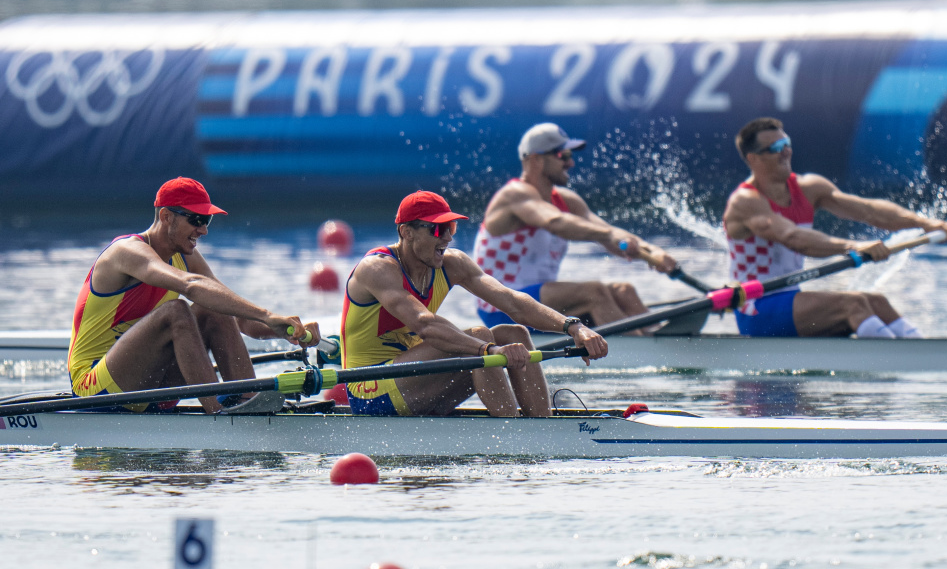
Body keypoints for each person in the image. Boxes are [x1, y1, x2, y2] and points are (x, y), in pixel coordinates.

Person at [340, 190, 608, 418]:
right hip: (370, 393)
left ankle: (541, 427)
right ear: (406, 232)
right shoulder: (377, 269)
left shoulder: (451, 263)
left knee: (515, 333)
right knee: (480, 337)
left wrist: (574, 327)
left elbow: (513, 302)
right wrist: (487, 348)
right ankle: (515, 436)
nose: (447, 237)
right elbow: (425, 325)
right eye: (438, 229)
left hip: (411, 380)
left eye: (451, 228)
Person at [67, 177, 319, 414]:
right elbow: (190, 285)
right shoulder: (126, 251)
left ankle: (246, 400)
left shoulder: (186, 256)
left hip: (148, 384)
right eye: (196, 219)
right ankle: (220, 416)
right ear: (166, 216)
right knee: (176, 310)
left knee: (215, 308)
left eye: (206, 221)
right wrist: (266, 314)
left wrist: (286, 328)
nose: (203, 230)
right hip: (94, 388)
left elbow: (238, 318)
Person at [722, 117, 947, 338]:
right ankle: (900, 364)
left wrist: (926, 223)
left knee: (877, 302)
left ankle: (921, 354)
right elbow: (793, 237)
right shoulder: (746, 202)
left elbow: (869, 210)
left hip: (789, 300)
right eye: (775, 149)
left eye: (786, 143)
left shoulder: (809, 188)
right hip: (755, 307)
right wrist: (854, 246)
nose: (785, 152)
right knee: (853, 304)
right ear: (753, 158)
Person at [472, 122, 678, 329]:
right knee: (593, 292)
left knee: (625, 292)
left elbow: (610, 232)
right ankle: (633, 355)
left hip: (537, 300)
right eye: (563, 156)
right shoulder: (515, 194)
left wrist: (652, 251)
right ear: (535, 160)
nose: (571, 163)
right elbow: (556, 222)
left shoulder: (566, 201)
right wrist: (608, 235)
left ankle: (658, 342)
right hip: (501, 306)